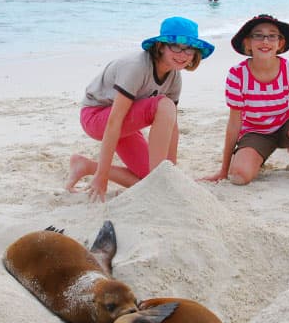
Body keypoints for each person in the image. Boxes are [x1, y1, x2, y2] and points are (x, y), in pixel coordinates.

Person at [65, 17, 215, 202]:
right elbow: (114, 121)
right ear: (161, 46)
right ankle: (154, 176)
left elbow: (172, 125)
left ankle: (85, 166)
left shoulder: (174, 77)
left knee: (152, 179)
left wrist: (171, 171)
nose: (183, 54)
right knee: (164, 105)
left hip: (125, 122)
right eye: (176, 46)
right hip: (96, 116)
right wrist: (101, 177)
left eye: (189, 49)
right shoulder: (137, 66)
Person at [203, 14, 289, 185]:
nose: (265, 41)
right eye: (258, 35)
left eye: (272, 36)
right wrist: (224, 170)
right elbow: (234, 123)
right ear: (248, 43)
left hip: (286, 125)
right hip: (255, 131)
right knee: (239, 177)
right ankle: (257, 156)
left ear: (280, 43)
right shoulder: (237, 74)